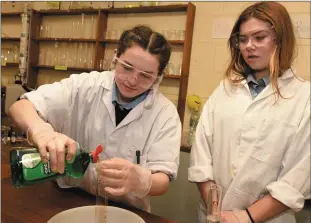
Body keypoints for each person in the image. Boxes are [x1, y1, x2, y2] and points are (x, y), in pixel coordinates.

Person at [9, 25, 182, 212]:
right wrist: (41, 131)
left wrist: (143, 181)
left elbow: (163, 180)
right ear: (115, 57)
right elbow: (20, 107)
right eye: (127, 67)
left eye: (146, 76)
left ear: (158, 77)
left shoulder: (165, 113)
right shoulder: (86, 86)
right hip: (69, 197)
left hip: (125, 209)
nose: (132, 81)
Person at [188, 2, 310, 223]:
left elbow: (298, 175)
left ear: (281, 39)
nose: (248, 46)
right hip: (214, 215)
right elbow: (201, 154)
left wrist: (246, 217)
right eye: (242, 40)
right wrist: (217, 212)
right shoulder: (225, 88)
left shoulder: (304, 96)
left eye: (259, 37)